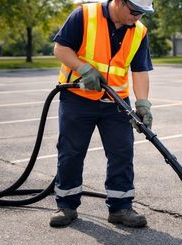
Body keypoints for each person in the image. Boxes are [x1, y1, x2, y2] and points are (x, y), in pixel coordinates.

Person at [50, 0, 154, 228]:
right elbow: (60, 48)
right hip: (78, 97)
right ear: (119, 1)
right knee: (71, 151)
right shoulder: (84, 15)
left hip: (116, 102)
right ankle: (66, 205)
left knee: (122, 152)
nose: (137, 17)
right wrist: (83, 68)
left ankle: (120, 207)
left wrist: (143, 104)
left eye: (142, 13)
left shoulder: (139, 31)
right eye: (134, 11)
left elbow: (140, 70)